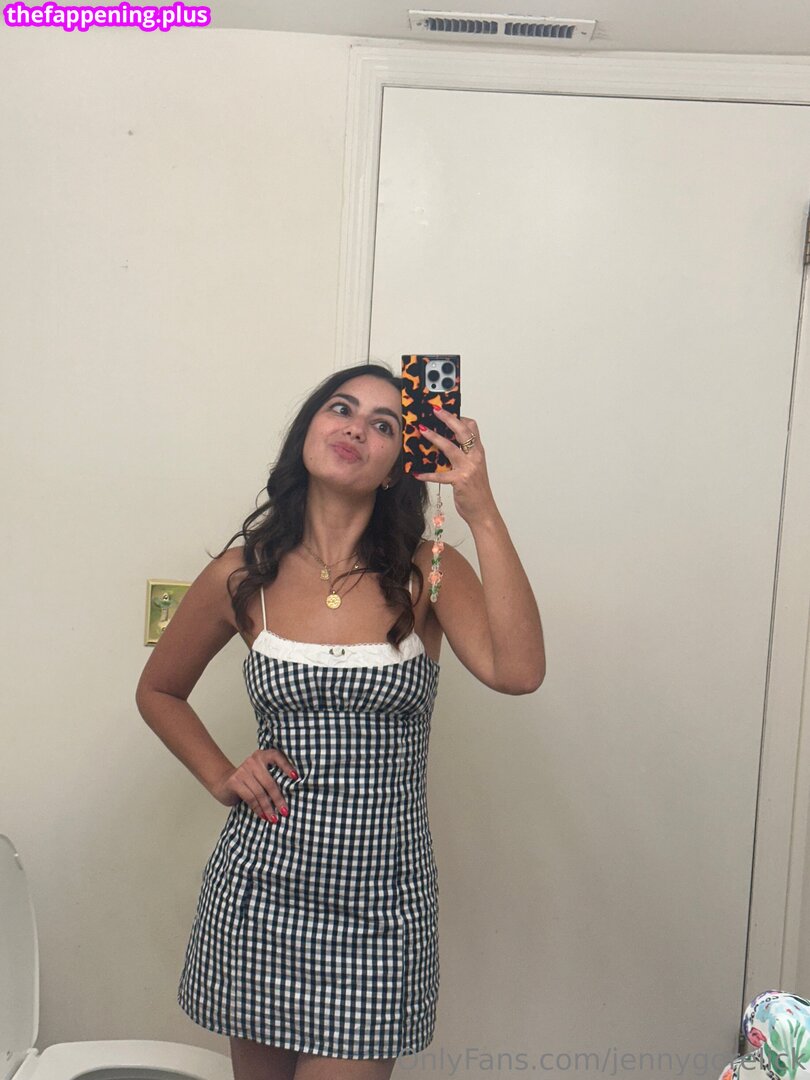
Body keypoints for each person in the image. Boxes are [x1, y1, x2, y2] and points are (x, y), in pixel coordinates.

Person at [135, 362, 545, 1080]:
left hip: (381, 906)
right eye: (341, 408)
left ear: (396, 468)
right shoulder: (243, 574)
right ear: (308, 432)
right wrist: (222, 775)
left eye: (384, 424)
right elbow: (160, 690)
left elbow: (518, 671)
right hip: (261, 894)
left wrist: (479, 508)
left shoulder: (429, 571)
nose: (357, 427)